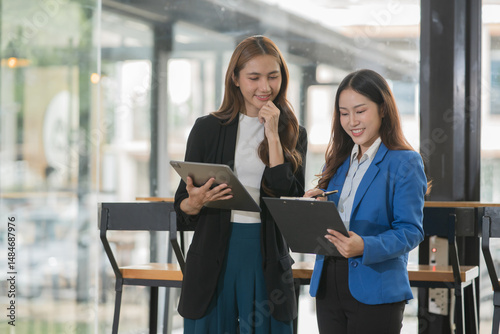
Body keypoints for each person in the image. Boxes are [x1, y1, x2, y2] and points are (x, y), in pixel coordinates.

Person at [174, 35, 307, 334]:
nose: (265, 87)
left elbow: (289, 200)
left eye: (273, 76)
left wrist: (273, 134)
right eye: (254, 77)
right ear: (235, 78)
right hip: (213, 255)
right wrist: (193, 203)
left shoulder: (293, 133)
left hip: (267, 257)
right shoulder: (206, 129)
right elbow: (181, 207)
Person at [304, 69, 429, 334]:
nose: (351, 121)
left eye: (360, 111)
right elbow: (332, 222)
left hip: (376, 285)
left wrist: (365, 246)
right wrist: (312, 208)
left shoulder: (405, 162)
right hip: (329, 283)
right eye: (344, 112)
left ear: (383, 109)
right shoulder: (337, 161)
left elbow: (411, 231)